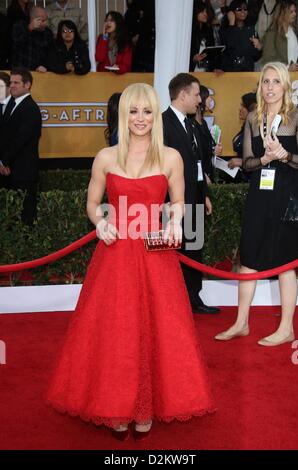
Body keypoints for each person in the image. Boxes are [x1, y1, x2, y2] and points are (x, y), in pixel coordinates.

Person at [47, 83, 215, 440]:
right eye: (133, 111)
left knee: (158, 329)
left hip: (156, 254)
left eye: (147, 111)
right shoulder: (106, 158)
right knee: (116, 332)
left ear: (156, 115)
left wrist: (175, 224)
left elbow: (179, 202)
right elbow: (92, 204)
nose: (141, 119)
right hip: (116, 253)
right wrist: (101, 221)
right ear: (124, 115)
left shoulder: (171, 157)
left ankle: (146, 406)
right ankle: (115, 405)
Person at [215, 61, 298, 346]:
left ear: (285, 85)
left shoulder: (296, 117)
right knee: (249, 255)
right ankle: (241, 322)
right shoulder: (253, 117)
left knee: (286, 259)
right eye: (265, 81)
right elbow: (248, 163)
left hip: (288, 193)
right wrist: (264, 159)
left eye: (276, 82)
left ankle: (287, 327)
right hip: (260, 192)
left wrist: (285, 156)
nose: (270, 87)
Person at [162, 73, 219, 314]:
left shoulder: (193, 125)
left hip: (194, 198)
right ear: (183, 94)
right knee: (170, 252)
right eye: (196, 94)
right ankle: (170, 302)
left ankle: (193, 298)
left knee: (194, 249)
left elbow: (199, 164)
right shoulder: (161, 123)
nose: (200, 100)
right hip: (170, 202)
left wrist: (204, 193)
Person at [0, 68, 42, 225]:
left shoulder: (31, 109)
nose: (12, 86)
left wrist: (4, 161)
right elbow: (5, 136)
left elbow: (20, 140)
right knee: (11, 217)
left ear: (28, 85)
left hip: (24, 173)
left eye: (16, 82)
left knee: (25, 218)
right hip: (9, 172)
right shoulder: (11, 104)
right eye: (10, 82)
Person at [11, 6, 54, 71]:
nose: (45, 23)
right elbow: (16, 44)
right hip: (21, 71)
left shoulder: (47, 33)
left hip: (40, 72)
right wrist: (29, 29)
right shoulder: (20, 26)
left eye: (46, 20)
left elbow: (50, 54)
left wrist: (44, 66)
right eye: (42, 20)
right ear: (33, 19)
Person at [261, 0, 298, 70]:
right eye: (291, 12)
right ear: (282, 13)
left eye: (295, 11)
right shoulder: (272, 33)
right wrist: (287, 67)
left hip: (294, 75)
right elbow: (268, 59)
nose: (294, 14)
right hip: (279, 75)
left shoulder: (293, 32)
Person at [227, 91, 257, 181]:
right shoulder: (245, 127)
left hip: (252, 178)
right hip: (242, 177)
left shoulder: (257, 130)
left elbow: (264, 157)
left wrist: (242, 162)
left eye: (243, 106)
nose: (240, 109)